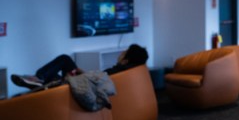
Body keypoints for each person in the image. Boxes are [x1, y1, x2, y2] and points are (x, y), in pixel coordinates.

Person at [11, 44, 149, 90]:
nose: (120, 53)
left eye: (123, 53)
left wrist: (73, 78)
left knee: (65, 59)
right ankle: (39, 81)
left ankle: (38, 79)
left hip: (82, 88)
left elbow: (95, 83)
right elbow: (98, 79)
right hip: (87, 83)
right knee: (55, 74)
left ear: (125, 61)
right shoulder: (130, 72)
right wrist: (82, 73)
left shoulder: (117, 72)